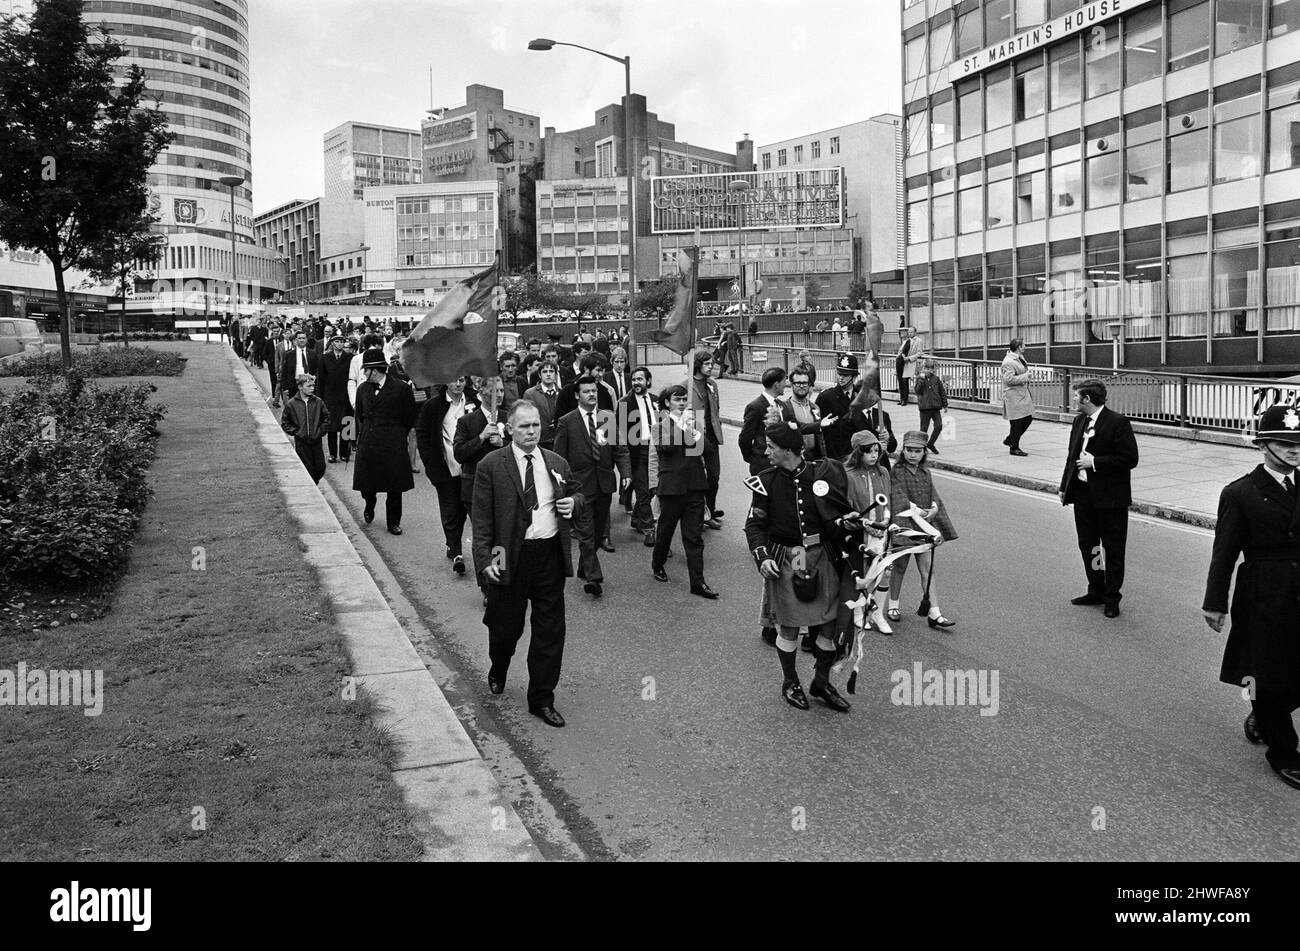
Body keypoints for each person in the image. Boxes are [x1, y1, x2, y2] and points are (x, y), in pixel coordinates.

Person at [1201, 405, 1300, 791]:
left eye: (1298, 444)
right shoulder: (1240, 493)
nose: (1293, 451)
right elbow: (1224, 552)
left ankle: (1264, 715)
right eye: (1284, 443)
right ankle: (1283, 752)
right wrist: (1215, 602)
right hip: (1262, 593)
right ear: (1263, 445)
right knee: (1268, 674)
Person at [473, 399, 584, 729]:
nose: (532, 431)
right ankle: (499, 663)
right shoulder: (492, 465)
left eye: (535, 425)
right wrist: (487, 561)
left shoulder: (556, 463)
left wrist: (573, 503)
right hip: (509, 555)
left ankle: (542, 698)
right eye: (524, 426)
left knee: (550, 631)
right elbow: (482, 520)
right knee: (506, 626)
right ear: (510, 429)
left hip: (548, 554)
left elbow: (579, 495)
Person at [744, 421, 853, 712]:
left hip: (822, 555)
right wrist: (762, 556)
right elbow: (754, 525)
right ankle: (790, 682)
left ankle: (820, 682)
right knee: (791, 626)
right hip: (793, 557)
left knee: (830, 625)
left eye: (771, 447)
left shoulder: (820, 475)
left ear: (790, 451)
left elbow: (836, 513)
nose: (766, 451)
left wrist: (845, 524)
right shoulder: (765, 481)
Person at [1059, 378, 1139, 619]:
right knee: (1090, 546)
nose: (1073, 400)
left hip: (1110, 499)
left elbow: (1129, 459)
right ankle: (1096, 589)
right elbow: (1071, 455)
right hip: (1083, 496)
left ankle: (1112, 597)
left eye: (1076, 396)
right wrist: (1065, 486)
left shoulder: (1117, 423)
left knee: (1113, 549)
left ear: (1087, 399)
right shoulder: (1079, 420)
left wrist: (1095, 463)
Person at [554, 377, 631, 598]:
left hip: (604, 483)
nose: (592, 395)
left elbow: (620, 448)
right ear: (577, 395)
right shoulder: (566, 422)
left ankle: (583, 566)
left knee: (598, 532)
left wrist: (625, 473)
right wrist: (564, 487)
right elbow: (560, 458)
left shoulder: (608, 418)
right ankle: (593, 577)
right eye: (587, 391)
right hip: (580, 486)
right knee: (586, 532)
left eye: (594, 391)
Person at [651, 385, 716, 599]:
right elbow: (667, 447)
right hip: (671, 488)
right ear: (667, 403)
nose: (681, 403)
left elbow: (707, 450)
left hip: (695, 486)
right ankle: (658, 563)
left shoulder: (692, 424)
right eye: (676, 399)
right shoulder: (660, 425)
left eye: (683, 399)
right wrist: (681, 425)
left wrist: (692, 428)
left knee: (694, 537)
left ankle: (698, 582)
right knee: (665, 531)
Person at [887, 431, 958, 629]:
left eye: (917, 451)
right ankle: (893, 605)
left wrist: (933, 509)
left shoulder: (926, 472)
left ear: (924, 452)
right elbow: (898, 496)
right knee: (900, 567)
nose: (912, 455)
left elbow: (933, 494)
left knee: (928, 569)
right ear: (904, 450)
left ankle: (934, 612)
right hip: (905, 526)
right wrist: (919, 511)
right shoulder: (897, 471)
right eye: (909, 450)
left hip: (925, 528)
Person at [352, 350, 417, 535]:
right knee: (367, 484)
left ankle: (393, 522)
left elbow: (409, 416)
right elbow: (360, 416)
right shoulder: (362, 389)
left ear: (376, 370)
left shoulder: (401, 389)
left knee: (394, 487)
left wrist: (396, 433)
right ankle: (369, 503)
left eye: (366, 370)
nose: (364, 374)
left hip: (393, 443)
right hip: (369, 441)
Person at [839, 430, 895, 638]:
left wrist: (886, 520)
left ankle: (878, 613)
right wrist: (865, 525)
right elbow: (848, 506)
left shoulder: (883, 472)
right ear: (857, 452)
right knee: (862, 573)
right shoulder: (849, 475)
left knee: (884, 572)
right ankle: (859, 611)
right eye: (868, 451)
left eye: (876, 451)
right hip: (861, 533)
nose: (873, 455)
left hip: (882, 530)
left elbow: (887, 500)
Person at [416, 376, 472, 576]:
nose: (458, 384)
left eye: (462, 380)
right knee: (450, 510)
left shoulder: (473, 402)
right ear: (446, 382)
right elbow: (422, 433)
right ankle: (456, 552)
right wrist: (429, 463)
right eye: (454, 380)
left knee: (463, 509)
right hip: (445, 467)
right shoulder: (434, 406)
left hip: (468, 467)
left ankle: (453, 543)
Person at [454, 378, 508, 517]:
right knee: (482, 535)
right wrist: (481, 437)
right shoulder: (466, 421)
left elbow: (521, 447)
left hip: (504, 488)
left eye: (502, 390)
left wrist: (503, 443)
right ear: (482, 392)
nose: (500, 395)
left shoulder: (509, 418)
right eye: (495, 391)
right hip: (476, 488)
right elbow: (459, 454)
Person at [622, 365, 659, 546]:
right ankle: (649, 529)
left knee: (652, 490)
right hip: (635, 453)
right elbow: (620, 435)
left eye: (640, 379)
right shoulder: (624, 403)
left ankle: (637, 519)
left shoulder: (656, 400)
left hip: (654, 452)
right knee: (643, 492)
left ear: (648, 381)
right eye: (634, 379)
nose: (636, 382)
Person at [689, 351, 725, 528]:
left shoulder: (712, 384)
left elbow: (716, 408)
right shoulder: (687, 385)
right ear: (698, 365)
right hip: (695, 437)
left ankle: (710, 510)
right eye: (707, 364)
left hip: (712, 437)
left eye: (712, 363)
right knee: (696, 478)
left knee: (714, 476)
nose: (711, 366)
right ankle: (697, 515)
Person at [280, 373, 330, 484]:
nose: (312, 388)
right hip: (302, 443)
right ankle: (313, 487)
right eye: (309, 386)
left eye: (313, 386)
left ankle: (314, 483)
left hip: (316, 441)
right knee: (308, 469)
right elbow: (285, 422)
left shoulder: (318, 402)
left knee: (320, 468)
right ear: (300, 387)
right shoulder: (291, 404)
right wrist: (297, 432)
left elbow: (326, 418)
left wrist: (320, 431)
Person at [739, 367, 788, 475]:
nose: (786, 384)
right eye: (784, 381)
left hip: (781, 463)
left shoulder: (782, 405)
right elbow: (745, 438)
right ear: (776, 384)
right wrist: (752, 458)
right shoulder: (755, 406)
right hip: (763, 464)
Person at [315, 335, 353, 463]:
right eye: (337, 341)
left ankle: (344, 453)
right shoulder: (325, 358)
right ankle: (332, 454)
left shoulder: (349, 358)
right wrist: (320, 398)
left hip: (346, 396)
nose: (339, 344)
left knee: (346, 424)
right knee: (331, 426)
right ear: (332, 343)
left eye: (342, 342)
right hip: (330, 397)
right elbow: (320, 379)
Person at [1001, 338, 1034, 456]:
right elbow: (1008, 380)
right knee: (1017, 422)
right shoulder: (1008, 362)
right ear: (1019, 347)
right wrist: (1025, 377)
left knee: (1027, 419)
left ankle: (1010, 439)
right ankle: (1014, 447)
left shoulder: (1018, 358)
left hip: (1021, 394)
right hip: (1014, 395)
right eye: (1024, 345)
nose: (1025, 346)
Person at [523, 361, 562, 451]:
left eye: (551, 371)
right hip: (540, 439)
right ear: (540, 375)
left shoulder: (562, 392)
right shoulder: (530, 394)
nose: (548, 374)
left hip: (558, 439)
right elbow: (527, 417)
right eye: (545, 372)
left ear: (556, 374)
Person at [913, 358, 949, 454]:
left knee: (938, 426)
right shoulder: (919, 378)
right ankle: (922, 447)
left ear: (932, 369)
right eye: (925, 368)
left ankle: (931, 443)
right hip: (925, 408)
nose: (927, 370)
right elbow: (917, 391)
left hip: (935, 407)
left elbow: (942, 392)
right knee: (924, 429)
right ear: (922, 368)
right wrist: (921, 379)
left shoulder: (936, 379)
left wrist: (945, 405)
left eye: (929, 368)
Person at [281, 330, 318, 401]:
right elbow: (284, 372)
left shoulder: (312, 354)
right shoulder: (289, 354)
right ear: (295, 340)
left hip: (309, 384)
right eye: (299, 338)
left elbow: (317, 369)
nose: (302, 340)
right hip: (294, 385)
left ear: (306, 339)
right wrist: (285, 388)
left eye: (303, 338)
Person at [896, 327, 919, 406]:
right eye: (909, 332)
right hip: (900, 362)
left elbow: (919, 353)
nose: (910, 334)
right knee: (900, 381)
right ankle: (901, 398)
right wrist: (900, 355)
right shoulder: (905, 341)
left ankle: (905, 399)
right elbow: (900, 350)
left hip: (908, 362)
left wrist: (909, 358)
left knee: (905, 380)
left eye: (911, 332)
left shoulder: (918, 341)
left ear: (915, 332)